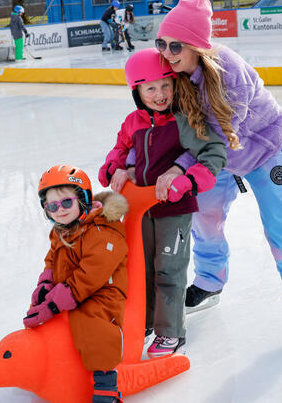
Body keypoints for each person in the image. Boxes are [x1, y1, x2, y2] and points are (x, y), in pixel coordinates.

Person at [154, 0, 282, 338]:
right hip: (221, 162)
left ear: (196, 46)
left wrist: (180, 167)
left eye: (176, 46)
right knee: (205, 215)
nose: (166, 53)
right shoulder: (175, 74)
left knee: (279, 223)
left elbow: (218, 137)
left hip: (264, 150)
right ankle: (209, 282)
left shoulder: (228, 69)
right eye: (162, 43)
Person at [98, 49, 226, 358]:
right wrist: (116, 168)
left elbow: (210, 154)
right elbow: (121, 148)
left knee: (169, 270)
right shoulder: (133, 121)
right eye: (150, 88)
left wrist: (184, 180)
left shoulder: (184, 118)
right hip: (139, 210)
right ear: (137, 92)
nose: (160, 94)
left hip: (174, 209)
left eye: (165, 85)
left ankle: (171, 333)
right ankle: (143, 321)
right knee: (141, 269)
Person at [24, 165, 128, 403]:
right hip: (70, 288)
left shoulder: (103, 231)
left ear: (82, 200)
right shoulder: (60, 230)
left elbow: (92, 274)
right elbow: (52, 259)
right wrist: (45, 285)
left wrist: (54, 305)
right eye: (52, 206)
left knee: (90, 320)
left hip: (103, 291)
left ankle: (106, 384)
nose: (59, 211)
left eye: (66, 203)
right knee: (43, 314)